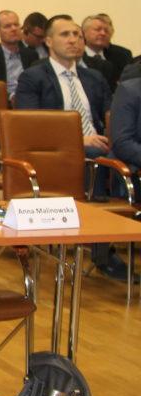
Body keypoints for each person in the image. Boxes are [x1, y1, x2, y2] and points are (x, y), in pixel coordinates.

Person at [13, 15, 123, 280]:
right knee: (96, 158)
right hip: (53, 151)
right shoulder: (33, 77)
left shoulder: (94, 77)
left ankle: (117, 233)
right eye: (65, 35)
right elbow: (30, 124)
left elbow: (111, 115)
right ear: (49, 41)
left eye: (77, 35)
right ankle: (102, 252)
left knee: (126, 155)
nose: (74, 40)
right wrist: (77, 140)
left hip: (98, 147)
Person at [82, 14, 132, 84]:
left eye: (106, 31)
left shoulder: (122, 55)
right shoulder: (76, 57)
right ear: (84, 32)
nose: (103, 33)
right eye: (97, 29)